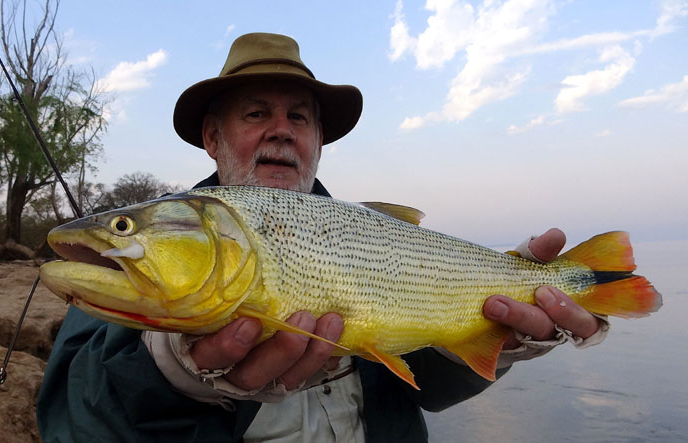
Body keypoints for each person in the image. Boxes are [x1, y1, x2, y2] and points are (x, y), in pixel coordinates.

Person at [37, 33, 608, 442]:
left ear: (316, 141)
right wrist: (170, 374)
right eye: (256, 113)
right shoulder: (150, 256)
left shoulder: (366, 232)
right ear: (212, 138)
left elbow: (426, 385)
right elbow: (71, 412)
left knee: (567, 289)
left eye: (300, 118)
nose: (280, 131)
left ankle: (591, 281)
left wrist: (505, 340)